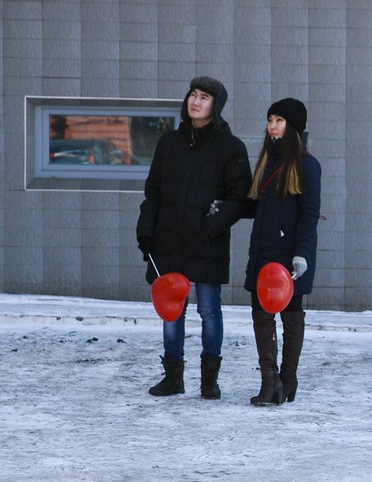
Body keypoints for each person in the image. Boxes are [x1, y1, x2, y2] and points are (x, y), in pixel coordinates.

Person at [136, 76, 252, 399]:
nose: (196, 101)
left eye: (204, 97)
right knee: (172, 311)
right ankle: (173, 377)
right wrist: (146, 230)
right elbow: (153, 192)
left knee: (209, 311)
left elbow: (239, 198)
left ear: (216, 106)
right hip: (169, 242)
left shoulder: (231, 148)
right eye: (193, 95)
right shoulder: (169, 143)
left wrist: (212, 227)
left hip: (206, 244)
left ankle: (209, 380)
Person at [243, 98, 321, 406]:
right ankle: (269, 382)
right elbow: (256, 207)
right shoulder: (267, 161)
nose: (271, 126)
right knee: (261, 316)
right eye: (270, 119)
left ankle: (288, 380)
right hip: (262, 254)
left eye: (279, 120)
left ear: (293, 128)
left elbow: (309, 213)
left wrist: (301, 253)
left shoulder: (307, 164)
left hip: (290, 256)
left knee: (290, 315)